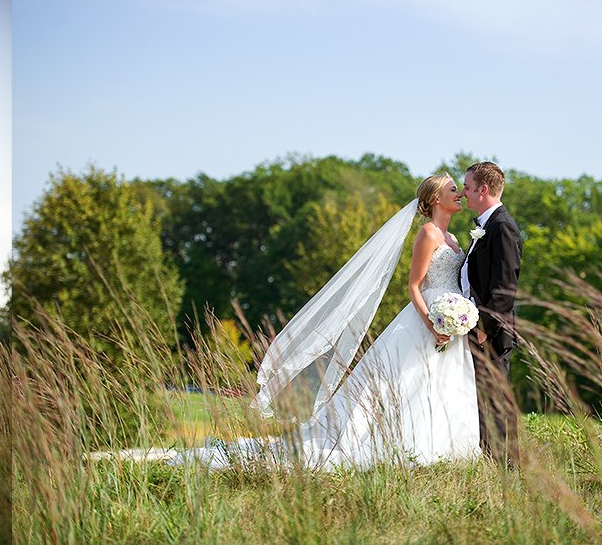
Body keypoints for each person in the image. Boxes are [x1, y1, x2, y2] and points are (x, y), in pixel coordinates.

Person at [173, 174, 481, 469]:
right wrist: (431, 322)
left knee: (436, 380)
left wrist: (455, 319)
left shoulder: (452, 237)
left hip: (453, 320)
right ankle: (398, 442)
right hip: (427, 317)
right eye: (453, 189)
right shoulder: (427, 233)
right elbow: (415, 285)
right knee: (401, 381)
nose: (459, 194)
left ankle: (443, 442)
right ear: (435, 198)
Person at [460, 161, 523, 468]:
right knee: (484, 401)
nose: (463, 193)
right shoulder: (485, 225)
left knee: (496, 404)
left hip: (491, 335)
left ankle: (505, 470)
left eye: (468, 187)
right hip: (476, 330)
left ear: (483, 190)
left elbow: (505, 287)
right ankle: (489, 464)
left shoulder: (502, 227)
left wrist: (485, 327)